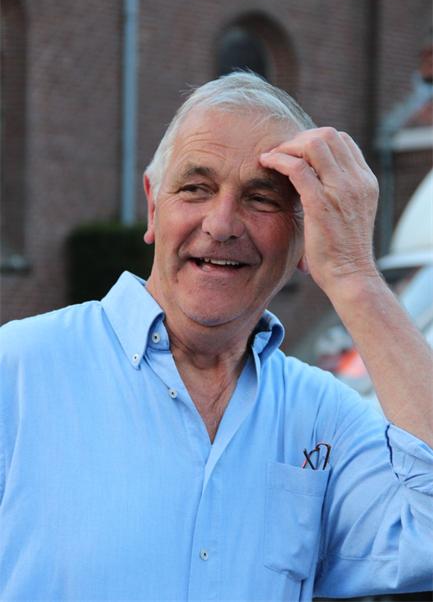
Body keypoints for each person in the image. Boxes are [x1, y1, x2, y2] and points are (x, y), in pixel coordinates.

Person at [0, 72, 432, 601]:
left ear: (305, 233)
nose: (222, 223)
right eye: (196, 189)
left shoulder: (323, 416)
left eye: (261, 198)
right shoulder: (18, 371)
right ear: (154, 206)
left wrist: (354, 275)